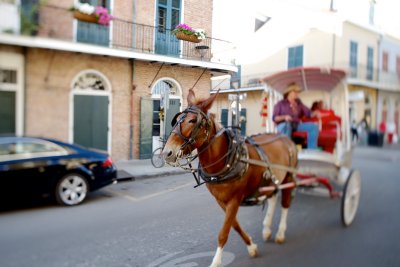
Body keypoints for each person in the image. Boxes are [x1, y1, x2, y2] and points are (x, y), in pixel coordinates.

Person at [273, 83, 320, 149]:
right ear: (289, 92)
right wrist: (285, 117)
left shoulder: (299, 103)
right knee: (287, 126)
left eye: (298, 92)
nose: (297, 93)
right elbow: (275, 118)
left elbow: (308, 113)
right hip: (283, 125)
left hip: (296, 125)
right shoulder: (280, 104)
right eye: (295, 92)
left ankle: (312, 150)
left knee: (313, 126)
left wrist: (315, 113)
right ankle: (288, 150)